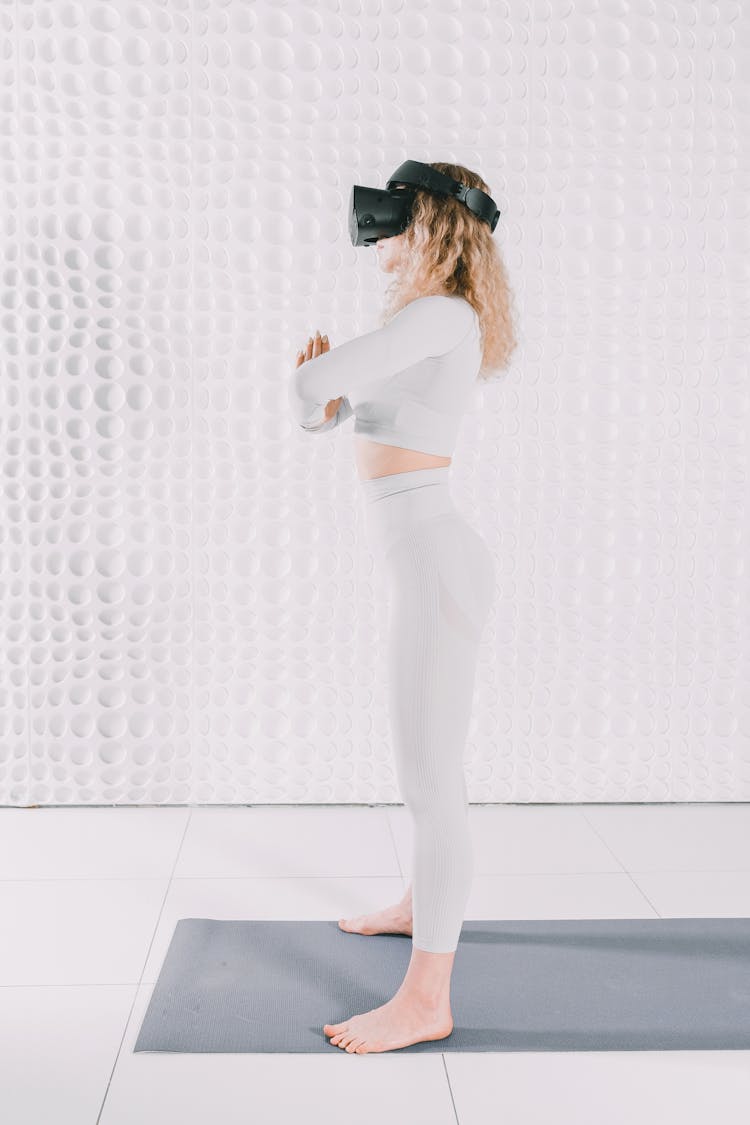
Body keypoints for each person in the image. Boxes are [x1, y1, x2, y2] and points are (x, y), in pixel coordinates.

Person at [289, 161, 518, 1053]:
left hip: (434, 563)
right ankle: (421, 904)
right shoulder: (428, 324)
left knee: (431, 786)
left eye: (398, 221)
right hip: (429, 560)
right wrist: (321, 395)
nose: (381, 238)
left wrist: (316, 389)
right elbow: (331, 413)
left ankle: (427, 999)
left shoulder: (437, 315)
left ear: (431, 225)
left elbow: (313, 393)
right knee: (425, 775)